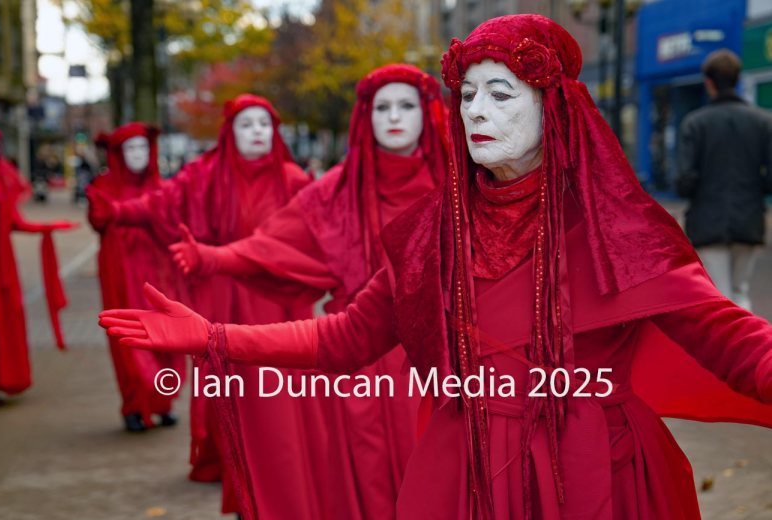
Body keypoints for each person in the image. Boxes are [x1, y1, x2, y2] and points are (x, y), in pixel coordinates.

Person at [101, 15, 772, 519]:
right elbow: (345, 337)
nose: (476, 110)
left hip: (591, 474)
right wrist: (214, 337)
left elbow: (731, 340)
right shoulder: (436, 234)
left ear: (555, 106)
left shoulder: (614, 231)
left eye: (501, 94)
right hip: (465, 475)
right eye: (468, 94)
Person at [169, 64, 450, 518]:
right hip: (362, 359)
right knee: (369, 484)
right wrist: (211, 258)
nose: (394, 117)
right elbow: (276, 245)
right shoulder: (337, 192)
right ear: (366, 117)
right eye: (382, 108)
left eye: (406, 105)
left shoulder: (461, 183)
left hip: (442, 358)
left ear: (428, 112)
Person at [88, 95, 312, 516]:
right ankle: (237, 472)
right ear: (230, 133)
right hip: (223, 296)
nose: (257, 132)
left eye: (265, 123)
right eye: (246, 124)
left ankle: (280, 474)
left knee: (278, 395)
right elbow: (162, 202)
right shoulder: (206, 174)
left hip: (277, 301)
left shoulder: (294, 179)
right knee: (232, 388)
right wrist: (117, 211)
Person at [88, 123, 187, 432]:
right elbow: (98, 218)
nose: (138, 154)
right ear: (118, 154)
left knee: (165, 336)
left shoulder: (162, 187)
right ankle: (134, 404)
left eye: (143, 147)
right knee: (129, 337)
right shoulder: (103, 187)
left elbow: (174, 226)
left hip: (159, 275)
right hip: (122, 274)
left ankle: (163, 403)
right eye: (131, 148)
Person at [677, 49, 772, 311]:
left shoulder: (695, 123)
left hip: (707, 222)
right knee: (741, 291)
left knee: (718, 295)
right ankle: (750, 336)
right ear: (737, 79)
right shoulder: (763, 122)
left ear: (709, 82)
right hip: (749, 219)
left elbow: (684, 181)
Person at [0, 125, 74, 404]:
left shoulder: (3, 180)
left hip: (1, 264)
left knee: (2, 319)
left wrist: (47, 228)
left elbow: (14, 221)